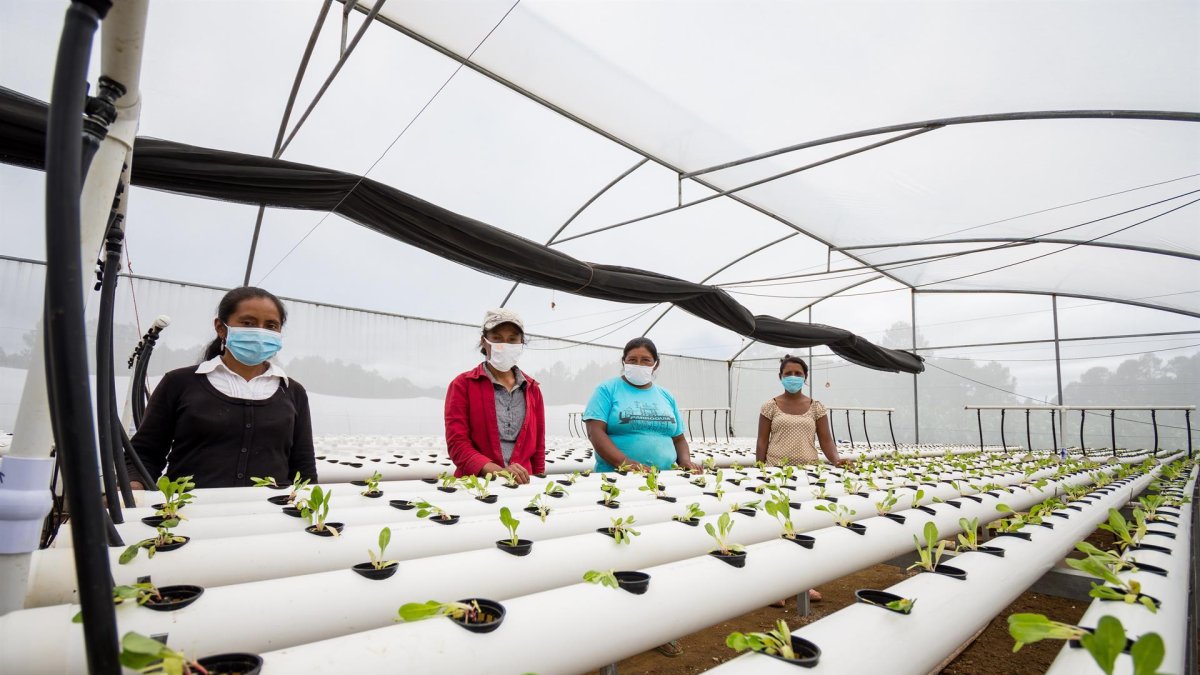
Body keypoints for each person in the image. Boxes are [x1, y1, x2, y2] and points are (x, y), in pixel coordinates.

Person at [128, 287, 316, 489]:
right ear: (221, 327)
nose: (260, 331)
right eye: (248, 323)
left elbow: (303, 466)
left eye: (271, 326)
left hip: (269, 513)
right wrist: (132, 486)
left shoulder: (292, 391)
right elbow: (145, 453)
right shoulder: (179, 383)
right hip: (188, 513)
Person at [756, 354, 850, 605]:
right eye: (788, 373)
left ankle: (803, 585)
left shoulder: (816, 407)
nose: (793, 377)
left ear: (805, 377)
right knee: (779, 529)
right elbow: (762, 441)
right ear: (780, 377)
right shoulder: (770, 406)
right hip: (777, 472)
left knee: (805, 529)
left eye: (798, 374)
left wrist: (835, 459)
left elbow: (826, 439)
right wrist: (760, 470)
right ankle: (778, 588)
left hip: (809, 473)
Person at [445, 309, 546, 483]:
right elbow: (458, 444)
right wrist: (498, 472)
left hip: (523, 484)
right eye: (497, 338)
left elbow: (538, 447)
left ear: (521, 343)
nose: (505, 345)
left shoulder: (532, 390)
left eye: (512, 339)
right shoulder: (463, 385)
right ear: (484, 342)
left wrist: (538, 483)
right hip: (477, 484)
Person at [584, 338, 701, 474]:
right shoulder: (607, 390)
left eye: (646, 360)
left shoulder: (666, 395)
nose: (639, 365)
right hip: (617, 475)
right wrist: (624, 463)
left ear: (655, 364)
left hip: (665, 477)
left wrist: (685, 461)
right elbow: (595, 432)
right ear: (624, 362)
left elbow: (679, 439)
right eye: (632, 360)